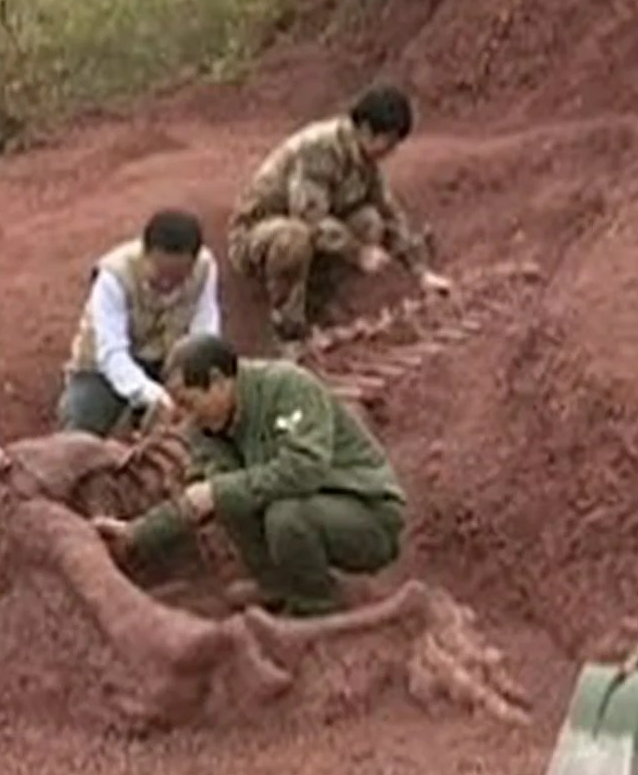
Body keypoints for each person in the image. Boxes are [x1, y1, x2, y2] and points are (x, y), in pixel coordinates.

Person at [93, 333, 405, 616]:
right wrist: (136, 534)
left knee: (284, 515)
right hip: (313, 505)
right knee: (231, 499)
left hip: (367, 514)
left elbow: (305, 470)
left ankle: (316, 603)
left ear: (217, 381)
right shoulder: (207, 427)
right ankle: (276, 585)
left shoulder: (288, 387)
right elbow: (200, 498)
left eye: (189, 403)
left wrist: (218, 491)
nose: (186, 419)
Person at [226, 84, 453, 344]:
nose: (392, 151)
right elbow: (309, 217)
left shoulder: (363, 156)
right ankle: (289, 329)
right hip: (257, 236)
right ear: (367, 129)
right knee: (294, 237)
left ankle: (320, 303)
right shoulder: (318, 147)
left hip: (308, 231)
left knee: (369, 221)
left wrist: (420, 272)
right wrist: (359, 253)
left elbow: (388, 211)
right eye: (389, 142)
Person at [57, 208, 222, 438]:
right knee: (79, 430)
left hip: (166, 361)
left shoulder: (205, 268)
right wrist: (154, 396)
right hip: (102, 368)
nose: (166, 284)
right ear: (144, 252)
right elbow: (111, 353)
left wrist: (191, 388)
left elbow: (204, 334)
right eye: (159, 274)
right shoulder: (113, 276)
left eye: (177, 279)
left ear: (193, 264)